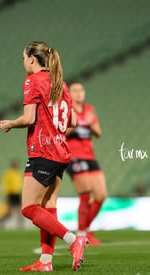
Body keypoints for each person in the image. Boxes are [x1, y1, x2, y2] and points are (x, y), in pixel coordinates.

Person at [0, 41, 86, 272]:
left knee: (28, 208)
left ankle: (72, 240)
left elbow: (28, 118)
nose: (23, 62)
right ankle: (45, 263)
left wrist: (10, 123)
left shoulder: (32, 81)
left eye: (23, 57)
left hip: (43, 152)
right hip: (61, 152)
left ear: (32, 59)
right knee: (48, 207)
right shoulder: (60, 83)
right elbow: (73, 122)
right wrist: (56, 135)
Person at [65, 82, 107, 245]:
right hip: (74, 157)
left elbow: (98, 133)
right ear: (69, 94)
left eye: (81, 90)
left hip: (90, 157)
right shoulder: (68, 110)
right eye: (74, 91)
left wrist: (88, 123)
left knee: (101, 195)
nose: (78, 93)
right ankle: (82, 234)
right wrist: (80, 123)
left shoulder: (90, 110)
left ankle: (86, 229)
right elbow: (63, 132)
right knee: (85, 194)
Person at [0, 160, 23, 228]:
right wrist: (6, 195)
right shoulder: (8, 174)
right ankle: (1, 222)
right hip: (10, 193)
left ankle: (20, 225)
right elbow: (5, 185)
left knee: (20, 210)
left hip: (17, 194)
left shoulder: (18, 173)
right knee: (8, 211)